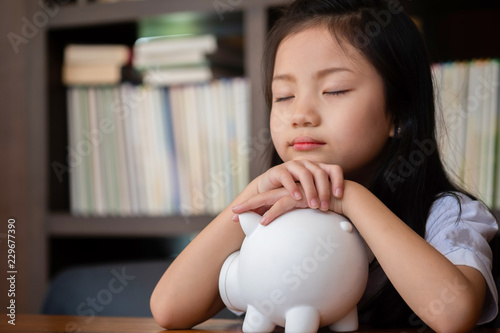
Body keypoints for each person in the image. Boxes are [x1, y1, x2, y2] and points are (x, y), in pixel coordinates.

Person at [150, 0, 499, 331]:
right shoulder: (275, 216)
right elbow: (168, 309)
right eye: (284, 96)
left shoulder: (447, 215)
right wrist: (253, 195)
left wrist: (350, 198)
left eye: (334, 90)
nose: (301, 114)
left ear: (399, 113)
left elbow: (454, 315)